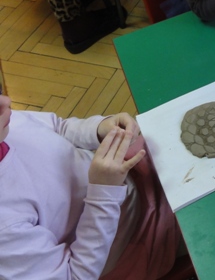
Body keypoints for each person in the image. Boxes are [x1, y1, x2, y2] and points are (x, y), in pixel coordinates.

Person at [0, 81, 185, 278]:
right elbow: (76, 275)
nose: (6, 101)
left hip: (122, 179)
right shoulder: (5, 229)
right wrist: (104, 190)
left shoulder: (7, 121)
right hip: (129, 240)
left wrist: (99, 128)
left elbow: (58, 127)